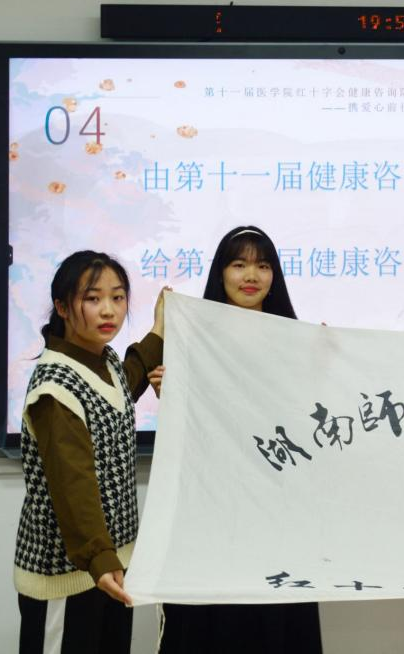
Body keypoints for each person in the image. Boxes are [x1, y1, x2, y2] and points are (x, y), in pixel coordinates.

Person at [157, 225, 322, 654]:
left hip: (278, 511)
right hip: (213, 511)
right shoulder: (193, 338)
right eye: (239, 264)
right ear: (221, 273)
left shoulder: (298, 340)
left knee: (275, 622)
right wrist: (169, 388)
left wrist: (325, 367)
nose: (251, 275)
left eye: (262, 265)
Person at [14, 251, 166, 654]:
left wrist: (159, 329)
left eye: (117, 297)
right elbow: (73, 485)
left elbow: (127, 381)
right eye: (93, 298)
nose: (108, 310)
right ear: (63, 307)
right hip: (70, 573)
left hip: (110, 565)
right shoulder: (55, 387)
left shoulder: (103, 360)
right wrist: (100, 559)